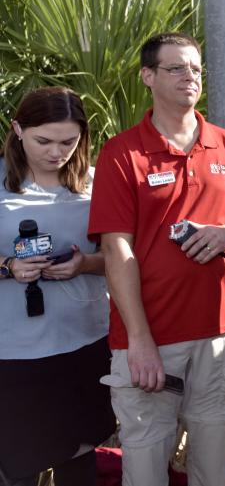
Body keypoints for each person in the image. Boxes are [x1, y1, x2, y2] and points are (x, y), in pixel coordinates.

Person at [88, 33, 225, 486]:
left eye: (196, 69)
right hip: (150, 340)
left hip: (223, 333)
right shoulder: (121, 153)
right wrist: (139, 340)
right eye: (177, 68)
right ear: (148, 77)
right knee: (145, 470)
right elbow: (116, 249)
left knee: (214, 469)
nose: (191, 77)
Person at [0, 87, 114, 486]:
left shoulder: (99, 185)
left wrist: (86, 264)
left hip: (83, 343)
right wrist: (8, 265)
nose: (56, 152)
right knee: (19, 465)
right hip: (15, 354)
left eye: (69, 141)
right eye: (43, 141)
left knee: (78, 459)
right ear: (17, 130)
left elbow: (124, 261)